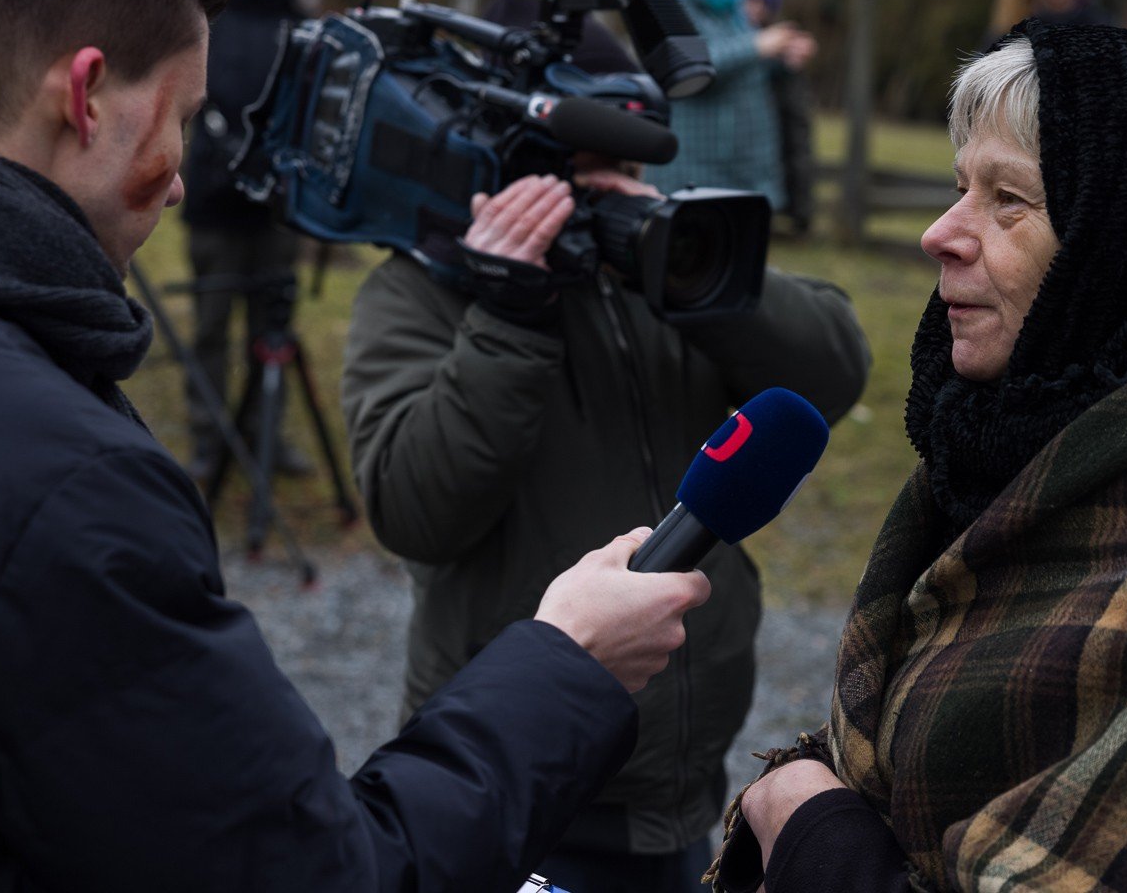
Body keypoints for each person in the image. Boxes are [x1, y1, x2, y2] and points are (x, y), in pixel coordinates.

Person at [0, 0, 715, 892]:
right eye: (181, 117)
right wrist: (568, 663)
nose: (179, 180)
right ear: (86, 96)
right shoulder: (56, 488)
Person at [707, 21, 1127, 892]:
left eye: (1009, 201)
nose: (940, 234)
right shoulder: (1025, 435)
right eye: (960, 188)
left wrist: (803, 819)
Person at [341, 110, 872, 888]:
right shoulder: (419, 290)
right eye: (575, 172)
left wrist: (699, 265)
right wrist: (508, 317)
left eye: (621, 170)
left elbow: (831, 375)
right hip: (520, 783)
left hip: (681, 791)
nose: (601, 195)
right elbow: (414, 509)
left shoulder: (670, 275)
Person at [179, 0, 310, 479]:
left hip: (277, 205)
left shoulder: (299, 25)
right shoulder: (203, 17)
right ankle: (210, 440)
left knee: (272, 328)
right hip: (215, 203)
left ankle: (266, 435)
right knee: (211, 327)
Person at [646, 0, 815, 207]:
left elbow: (745, 69)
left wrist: (782, 58)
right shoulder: (667, 5)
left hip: (742, 172)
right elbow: (691, 66)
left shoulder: (731, 6)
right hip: (691, 171)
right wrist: (758, 45)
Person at [732, 0, 817, 236]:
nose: (755, 8)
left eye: (761, 1)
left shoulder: (776, 47)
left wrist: (790, 62)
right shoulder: (729, 45)